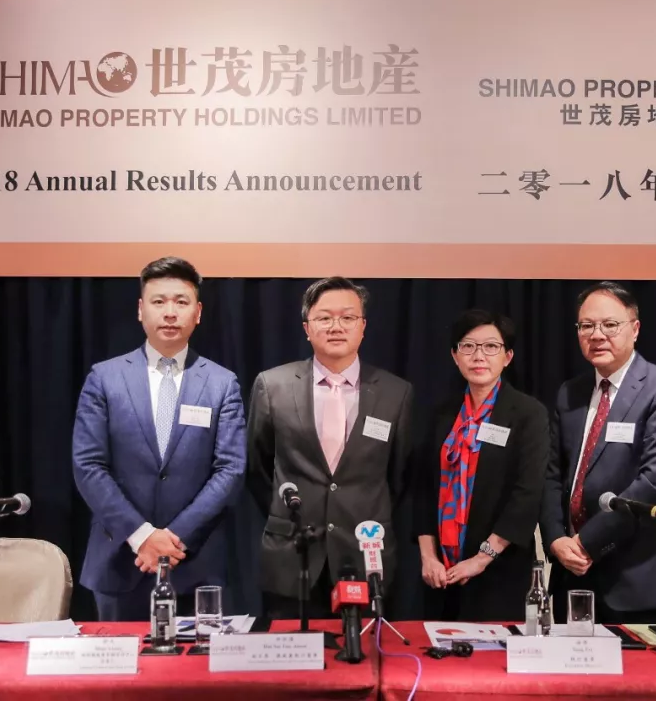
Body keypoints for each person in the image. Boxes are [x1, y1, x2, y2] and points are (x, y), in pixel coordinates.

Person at [72, 257, 246, 621]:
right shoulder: (104, 378)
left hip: (194, 564)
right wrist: (142, 536)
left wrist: (174, 539)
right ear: (141, 310)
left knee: (196, 660)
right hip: (121, 560)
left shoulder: (221, 383)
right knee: (120, 660)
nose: (170, 312)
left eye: (181, 302)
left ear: (198, 312)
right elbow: (88, 466)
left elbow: (230, 469)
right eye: (159, 301)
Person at [246, 276, 414, 619]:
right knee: (290, 651)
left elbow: (399, 477)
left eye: (348, 317)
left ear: (363, 326)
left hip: (364, 555)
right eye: (324, 318)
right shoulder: (272, 385)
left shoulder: (396, 393)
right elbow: (256, 467)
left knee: (363, 652)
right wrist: (291, 510)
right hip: (293, 556)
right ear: (307, 328)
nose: (336, 326)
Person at [540, 281, 656, 625]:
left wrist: (586, 542)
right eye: (586, 326)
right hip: (570, 574)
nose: (597, 335)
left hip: (634, 580)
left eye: (610, 324)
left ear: (634, 329)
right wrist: (556, 540)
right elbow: (551, 476)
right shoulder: (571, 392)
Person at [415, 310, 549, 622]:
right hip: (441, 573)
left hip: (499, 572)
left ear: (507, 356)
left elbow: (527, 495)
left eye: (491, 346)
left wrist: (481, 559)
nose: (479, 356)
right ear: (455, 356)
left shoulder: (528, 413)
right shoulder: (440, 414)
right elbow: (421, 490)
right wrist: (429, 558)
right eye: (468, 346)